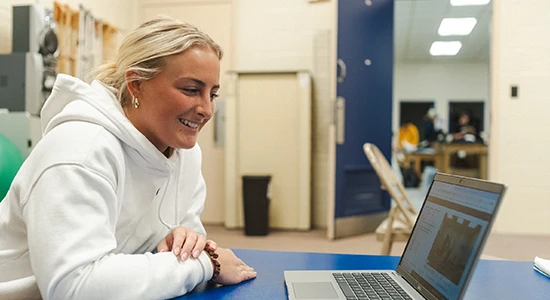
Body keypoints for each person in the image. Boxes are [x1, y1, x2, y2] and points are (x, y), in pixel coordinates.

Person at [0, 17, 256, 300]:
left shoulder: (186, 155)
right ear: (136, 85)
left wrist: (184, 244)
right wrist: (206, 263)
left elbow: (186, 248)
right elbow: (74, 288)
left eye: (213, 93)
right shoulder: (80, 151)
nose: (207, 109)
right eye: (191, 90)